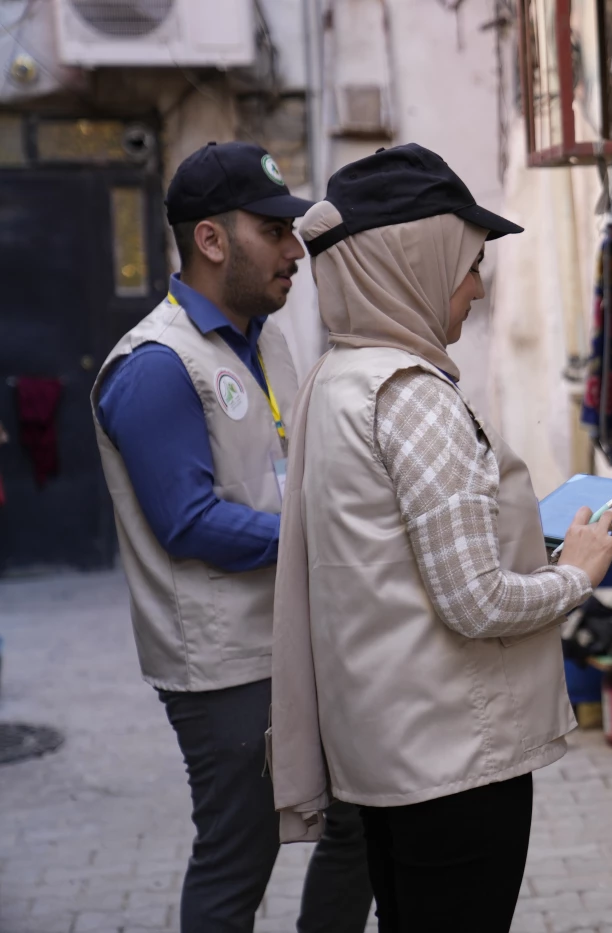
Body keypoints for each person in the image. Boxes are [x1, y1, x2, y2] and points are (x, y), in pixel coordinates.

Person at [269, 144, 612, 932]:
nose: (477, 287)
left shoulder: (337, 379)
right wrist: (576, 574)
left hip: (388, 755)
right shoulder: (411, 397)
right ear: (413, 260)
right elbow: (474, 601)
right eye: (469, 262)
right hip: (454, 765)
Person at [91, 142, 373, 932]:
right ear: (211, 240)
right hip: (227, 667)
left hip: (293, 636)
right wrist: (326, 534)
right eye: (274, 231)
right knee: (238, 857)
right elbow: (189, 523)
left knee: (358, 821)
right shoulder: (155, 366)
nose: (294, 251)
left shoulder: (265, 338)